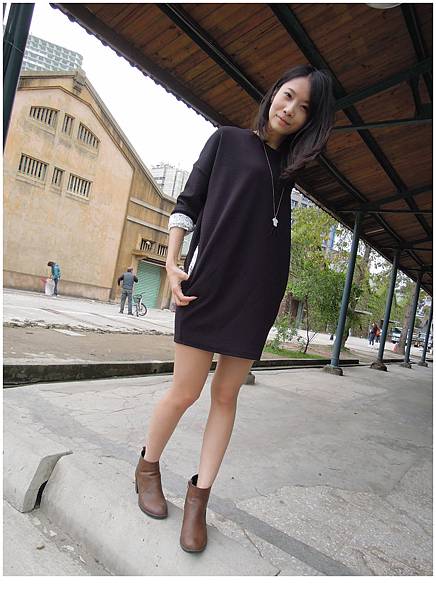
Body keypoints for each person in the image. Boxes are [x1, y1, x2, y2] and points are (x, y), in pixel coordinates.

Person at [134, 65, 335, 553]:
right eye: (288, 96)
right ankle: (147, 468)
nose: (291, 110)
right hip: (207, 286)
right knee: (185, 391)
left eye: (304, 108)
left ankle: (198, 499)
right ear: (273, 94)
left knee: (226, 396)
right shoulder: (225, 140)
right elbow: (188, 204)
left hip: (255, 296)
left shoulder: (290, 172)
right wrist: (173, 263)